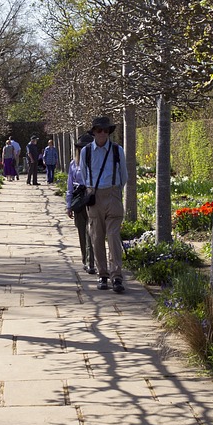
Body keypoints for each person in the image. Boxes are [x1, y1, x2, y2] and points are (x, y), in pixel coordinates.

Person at [82, 115, 127, 292]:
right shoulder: (86, 151)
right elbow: (84, 175)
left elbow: (124, 175)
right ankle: (103, 275)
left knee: (114, 236)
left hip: (113, 193)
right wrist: (92, 190)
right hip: (94, 195)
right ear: (93, 132)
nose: (102, 133)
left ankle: (116, 276)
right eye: (99, 130)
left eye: (106, 130)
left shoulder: (117, 150)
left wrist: (116, 192)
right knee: (97, 237)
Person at [66, 133, 97, 274]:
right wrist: (68, 205)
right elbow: (70, 186)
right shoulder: (74, 164)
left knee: (92, 232)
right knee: (81, 231)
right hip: (79, 199)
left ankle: (91, 262)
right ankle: (85, 259)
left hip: (92, 198)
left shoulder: (96, 163)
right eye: (81, 148)